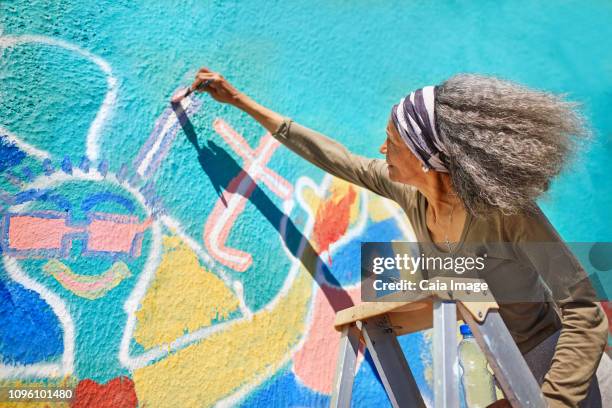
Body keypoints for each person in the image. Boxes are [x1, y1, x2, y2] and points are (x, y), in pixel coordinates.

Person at [188, 68, 609, 407]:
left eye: (392, 142)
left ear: (425, 156)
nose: (381, 149)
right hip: (503, 369)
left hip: (560, 371)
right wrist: (240, 101)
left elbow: (585, 312)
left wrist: (553, 401)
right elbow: (337, 159)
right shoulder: (412, 196)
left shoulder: (507, 214)